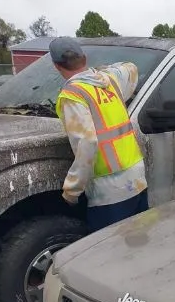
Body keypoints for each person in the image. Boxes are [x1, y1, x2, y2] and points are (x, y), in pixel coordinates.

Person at [50, 37, 149, 232]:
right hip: (136, 178)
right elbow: (131, 68)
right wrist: (102, 70)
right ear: (84, 58)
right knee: (139, 242)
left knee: (108, 252)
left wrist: (72, 191)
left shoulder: (72, 95)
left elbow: (87, 143)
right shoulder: (110, 80)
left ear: (56, 66)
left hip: (110, 191)